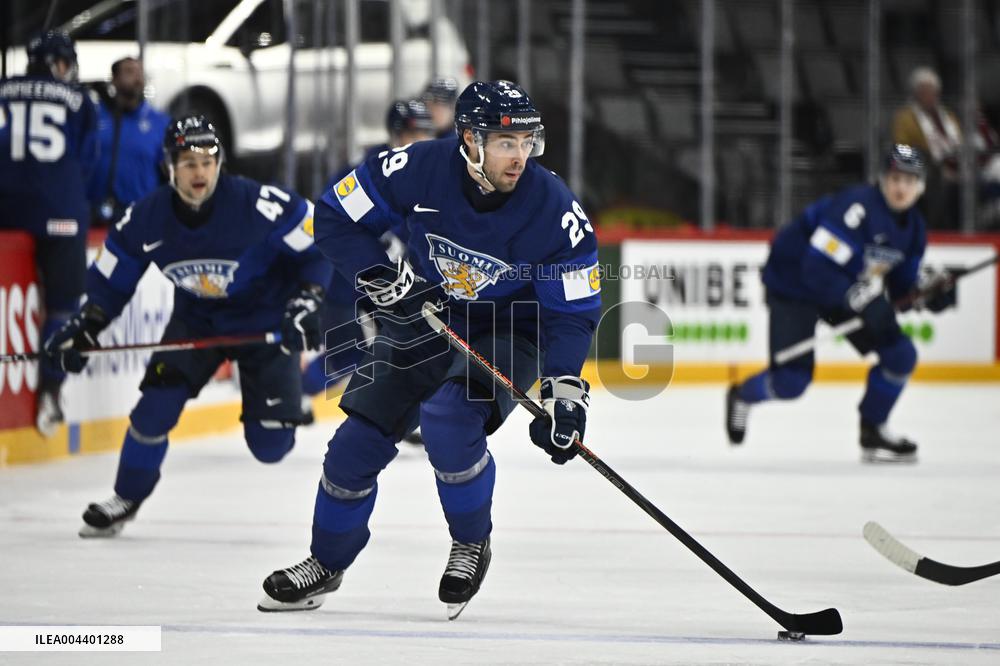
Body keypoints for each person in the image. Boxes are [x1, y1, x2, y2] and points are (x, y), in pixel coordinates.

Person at [257, 80, 601, 619]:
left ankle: (470, 541)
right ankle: (326, 561)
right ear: (469, 139)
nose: (520, 157)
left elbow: (572, 311)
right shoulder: (413, 168)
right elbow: (333, 213)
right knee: (352, 446)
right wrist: (380, 277)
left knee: (449, 416)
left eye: (527, 142)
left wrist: (564, 391)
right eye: (505, 143)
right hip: (427, 313)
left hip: (512, 328)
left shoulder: (555, 210)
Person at [42, 115, 332, 537]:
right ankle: (126, 497)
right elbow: (112, 280)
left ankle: (274, 409)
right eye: (188, 162)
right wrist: (86, 325)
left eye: (207, 160)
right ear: (169, 165)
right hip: (196, 322)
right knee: (151, 413)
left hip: (265, 323)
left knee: (271, 446)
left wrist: (308, 298)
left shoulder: (257, 205)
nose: (199, 171)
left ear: (220, 163)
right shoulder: (146, 218)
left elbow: (316, 245)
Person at [725, 145, 956, 463]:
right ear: (882, 179)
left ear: (921, 185)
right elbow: (816, 268)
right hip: (797, 284)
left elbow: (902, 288)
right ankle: (742, 395)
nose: (901, 187)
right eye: (894, 178)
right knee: (791, 382)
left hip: (841, 285)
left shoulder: (913, 229)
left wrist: (929, 293)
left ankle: (873, 429)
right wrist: (863, 298)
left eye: (909, 180)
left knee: (900, 355)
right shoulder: (856, 207)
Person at [301, 99, 436, 423]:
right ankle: (301, 389)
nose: (421, 140)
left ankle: (410, 414)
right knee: (348, 355)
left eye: (426, 132)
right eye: (414, 132)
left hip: (395, 277)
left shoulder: (433, 172)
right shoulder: (370, 169)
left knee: (411, 344)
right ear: (395, 133)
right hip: (348, 278)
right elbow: (330, 216)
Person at [0, 30, 100, 437]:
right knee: (64, 308)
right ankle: (51, 392)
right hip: (61, 213)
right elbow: (89, 164)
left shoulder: (3, 90)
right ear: (60, 63)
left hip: (5, 210)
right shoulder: (80, 102)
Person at [87, 56, 171, 226]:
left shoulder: (159, 122)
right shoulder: (94, 117)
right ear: (114, 80)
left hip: (141, 217)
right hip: (95, 216)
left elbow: (170, 172)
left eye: (140, 72)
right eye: (129, 72)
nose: (137, 78)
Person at [892, 67, 962, 229]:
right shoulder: (905, 117)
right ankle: (935, 226)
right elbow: (902, 145)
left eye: (932, 91)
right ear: (916, 93)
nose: (929, 95)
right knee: (937, 179)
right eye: (925, 91)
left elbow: (958, 140)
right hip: (924, 165)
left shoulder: (948, 116)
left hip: (952, 162)